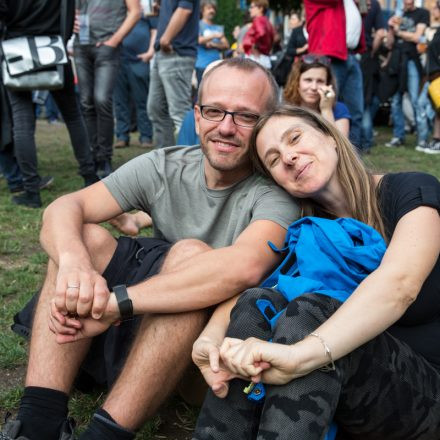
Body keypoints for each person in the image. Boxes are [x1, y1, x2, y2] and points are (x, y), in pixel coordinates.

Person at [2, 58, 299, 440]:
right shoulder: (165, 165)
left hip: (198, 351)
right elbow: (64, 208)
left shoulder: (276, 192)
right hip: (123, 328)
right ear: (196, 113)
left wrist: (114, 305)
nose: (225, 128)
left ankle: (105, 435)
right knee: (86, 238)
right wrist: (76, 264)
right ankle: (37, 424)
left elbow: (244, 267)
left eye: (245, 117)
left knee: (192, 254)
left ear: (267, 123)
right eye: (213, 111)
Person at [192, 104, 440, 439]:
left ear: (331, 137)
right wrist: (209, 339)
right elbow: (255, 290)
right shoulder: (307, 231)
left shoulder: (411, 191)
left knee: (310, 311)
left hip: (425, 394)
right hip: (348, 389)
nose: (290, 157)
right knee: (258, 303)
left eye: (295, 138)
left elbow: (399, 284)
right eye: (275, 159)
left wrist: (298, 356)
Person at [0, 0, 99, 208]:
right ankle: (90, 177)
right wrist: (61, 40)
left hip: (17, 51)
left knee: (22, 122)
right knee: (73, 116)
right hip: (54, 49)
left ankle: (31, 190)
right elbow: (69, 16)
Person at [73, 0, 141, 178]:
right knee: (86, 101)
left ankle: (104, 157)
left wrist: (114, 40)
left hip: (108, 47)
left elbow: (135, 12)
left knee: (102, 99)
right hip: (81, 45)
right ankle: (92, 155)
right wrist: (69, 20)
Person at [304, 0, 366, 151]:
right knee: (328, 107)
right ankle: (328, 158)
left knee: (356, 111)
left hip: (349, 54)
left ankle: (354, 162)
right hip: (329, 55)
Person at [147, 0, 199, 148]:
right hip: (164, 53)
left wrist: (165, 38)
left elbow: (184, 9)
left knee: (180, 114)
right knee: (156, 109)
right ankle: (167, 163)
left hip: (175, 52)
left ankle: (194, 164)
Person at [385, 0, 430, 149]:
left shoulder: (422, 13)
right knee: (396, 100)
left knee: (416, 100)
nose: (408, 2)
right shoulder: (397, 14)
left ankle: (422, 138)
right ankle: (399, 136)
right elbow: (389, 44)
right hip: (396, 61)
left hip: (411, 61)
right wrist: (391, 29)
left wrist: (399, 32)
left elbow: (417, 37)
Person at [113, 7, 157, 149]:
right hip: (118, 59)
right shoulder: (117, 7)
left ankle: (146, 136)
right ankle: (121, 136)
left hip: (140, 60)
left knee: (142, 100)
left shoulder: (146, 7)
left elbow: (154, 30)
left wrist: (150, 51)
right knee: (120, 101)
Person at [283, 55, 350, 137]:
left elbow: (340, 148)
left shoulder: (339, 109)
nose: (314, 87)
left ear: (328, 84)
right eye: (308, 80)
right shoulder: (286, 110)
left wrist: (326, 110)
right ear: (296, 82)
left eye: (320, 81)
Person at [195, 0, 229, 85]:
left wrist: (213, 44)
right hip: (201, 65)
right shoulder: (197, 25)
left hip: (216, 65)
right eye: (209, 8)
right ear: (202, 10)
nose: (212, 11)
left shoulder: (218, 27)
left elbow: (226, 45)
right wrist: (214, 36)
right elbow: (197, 40)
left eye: (213, 9)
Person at [242, 0, 274, 69]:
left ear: (260, 8)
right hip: (264, 57)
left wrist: (254, 45)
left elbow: (261, 33)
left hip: (256, 58)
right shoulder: (267, 21)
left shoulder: (258, 20)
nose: (250, 10)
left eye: (252, 7)